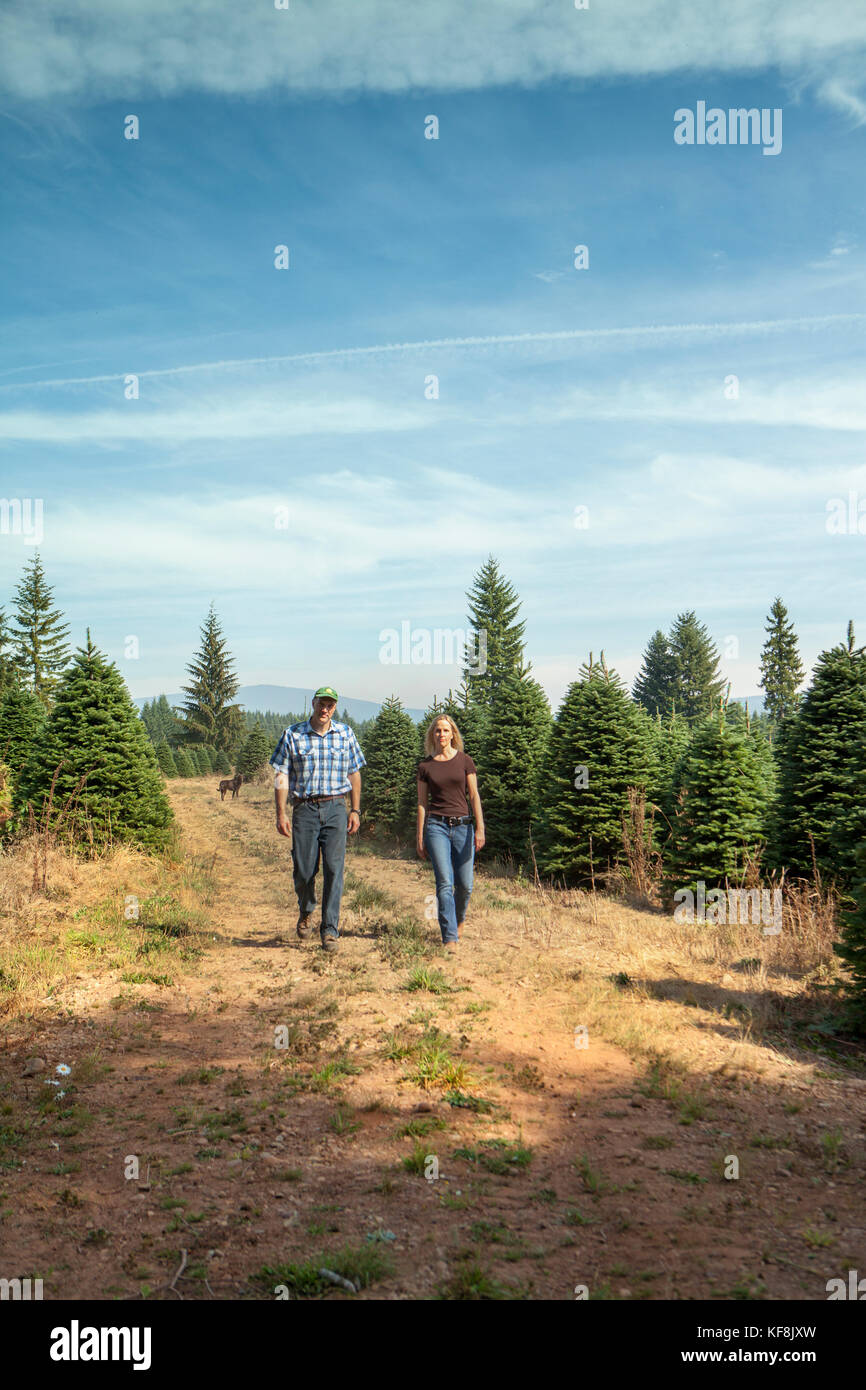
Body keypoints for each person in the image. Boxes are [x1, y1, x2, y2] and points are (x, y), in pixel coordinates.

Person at [270, 687, 365, 952]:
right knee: (304, 869)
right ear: (313, 704)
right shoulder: (293, 734)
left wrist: (355, 809)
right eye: (321, 704)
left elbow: (354, 773)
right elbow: (281, 776)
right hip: (305, 809)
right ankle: (306, 908)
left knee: (334, 869)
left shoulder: (345, 734)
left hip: (335, 808)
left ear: (334, 708)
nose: (325, 709)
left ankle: (330, 929)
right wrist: (281, 812)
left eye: (330, 705)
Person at [416, 714, 485, 952]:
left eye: (446, 731)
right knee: (445, 883)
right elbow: (422, 803)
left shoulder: (465, 761)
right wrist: (420, 836)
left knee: (465, 885)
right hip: (437, 827)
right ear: (432, 735)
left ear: (453, 734)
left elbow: (474, 796)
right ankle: (449, 937)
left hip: (464, 827)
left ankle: (459, 918)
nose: (442, 735)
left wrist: (480, 828)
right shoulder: (425, 766)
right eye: (438, 731)